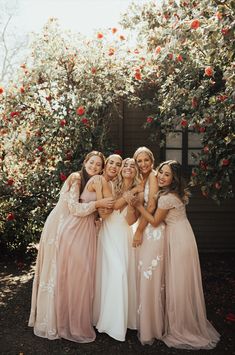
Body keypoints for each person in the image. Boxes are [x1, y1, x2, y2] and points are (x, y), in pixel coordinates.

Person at [133, 160, 220, 350]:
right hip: (182, 233)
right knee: (179, 280)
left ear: (174, 179)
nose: (162, 177)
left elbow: (155, 221)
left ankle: (181, 325)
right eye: (161, 173)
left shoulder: (166, 198)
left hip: (179, 239)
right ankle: (178, 320)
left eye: (167, 175)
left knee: (179, 281)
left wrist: (139, 206)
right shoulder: (171, 194)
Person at [28, 151, 114, 341]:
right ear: (85, 162)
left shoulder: (95, 181)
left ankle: (71, 318)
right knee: (59, 273)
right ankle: (56, 320)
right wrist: (98, 203)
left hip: (82, 229)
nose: (94, 167)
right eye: (91, 163)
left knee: (74, 274)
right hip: (62, 226)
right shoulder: (76, 178)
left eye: (98, 165)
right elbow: (74, 208)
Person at [93, 157, 143, 342]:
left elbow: (131, 221)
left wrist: (131, 201)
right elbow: (111, 207)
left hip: (123, 235)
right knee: (115, 273)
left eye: (131, 166)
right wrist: (128, 195)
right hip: (108, 233)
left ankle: (122, 321)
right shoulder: (112, 184)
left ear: (136, 171)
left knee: (122, 273)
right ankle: (106, 321)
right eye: (125, 165)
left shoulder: (140, 190)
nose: (127, 168)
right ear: (121, 169)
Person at [131, 147, 166, 345]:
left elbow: (151, 207)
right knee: (145, 274)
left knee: (149, 275)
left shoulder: (153, 177)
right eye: (139, 161)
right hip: (144, 225)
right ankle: (145, 322)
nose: (143, 164)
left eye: (146, 160)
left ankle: (152, 327)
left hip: (152, 230)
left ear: (152, 161)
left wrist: (139, 231)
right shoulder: (141, 179)